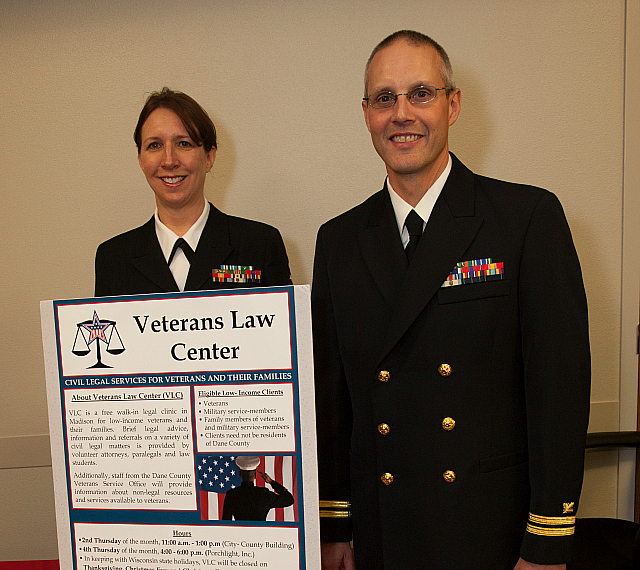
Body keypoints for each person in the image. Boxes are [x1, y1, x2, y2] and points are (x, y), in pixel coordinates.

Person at [312, 30, 590, 570]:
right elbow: (333, 399)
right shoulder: (339, 240)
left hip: (491, 532)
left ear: (453, 104)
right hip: (381, 534)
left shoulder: (525, 219)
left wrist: (548, 539)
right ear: (366, 113)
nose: (402, 114)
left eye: (421, 93)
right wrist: (336, 523)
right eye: (384, 98)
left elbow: (559, 389)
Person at [95, 88, 291, 296]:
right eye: (155, 145)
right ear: (141, 159)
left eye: (183, 143)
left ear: (209, 157)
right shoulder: (113, 259)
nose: (169, 161)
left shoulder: (259, 245)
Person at [221, 456, 295, 521]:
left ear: (240, 474)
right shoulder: (264, 494)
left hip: (240, 535)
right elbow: (289, 500)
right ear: (255, 476)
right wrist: (271, 482)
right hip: (260, 535)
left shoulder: (231, 494)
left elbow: (226, 521)